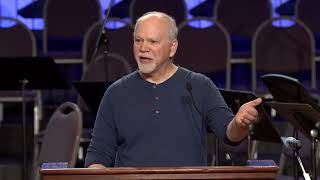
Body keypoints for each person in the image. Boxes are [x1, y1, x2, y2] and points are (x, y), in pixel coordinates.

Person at [85, 11, 262, 168]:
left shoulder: (199, 86)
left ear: (172, 48)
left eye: (153, 41)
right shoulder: (116, 93)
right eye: (138, 40)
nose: (143, 48)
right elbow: (97, 156)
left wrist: (239, 124)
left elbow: (229, 133)